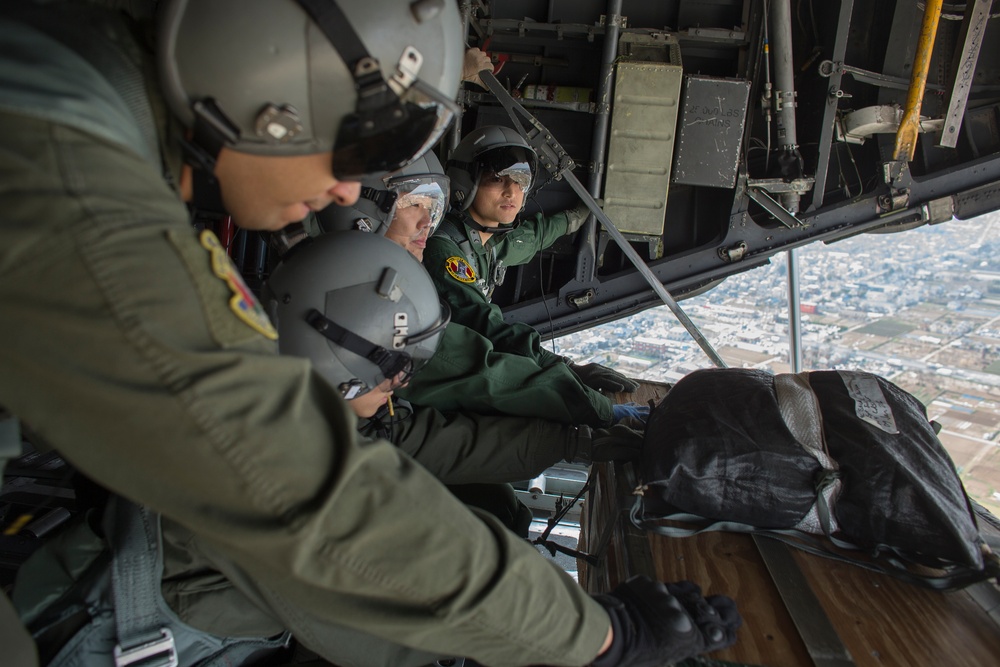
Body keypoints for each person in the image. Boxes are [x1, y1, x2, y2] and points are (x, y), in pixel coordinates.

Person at [0, 1, 739, 665]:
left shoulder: (72, 105)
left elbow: (428, 440)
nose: (351, 193)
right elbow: (306, 493)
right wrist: (599, 635)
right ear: (263, 85)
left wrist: (593, 434)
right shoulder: (66, 188)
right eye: (348, 149)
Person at [262, 231, 646, 535]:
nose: (401, 385)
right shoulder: (284, 453)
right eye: (396, 372)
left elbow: (430, 441)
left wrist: (574, 442)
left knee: (500, 510)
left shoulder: (327, 397)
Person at [322, 146, 644, 426]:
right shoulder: (442, 250)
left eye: (519, 183)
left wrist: (578, 215)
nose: (511, 192)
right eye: (497, 179)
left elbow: (533, 237)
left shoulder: (486, 242)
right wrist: (569, 374)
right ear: (468, 184)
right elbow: (483, 331)